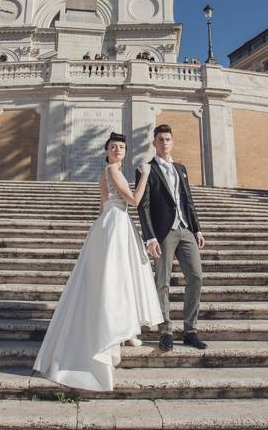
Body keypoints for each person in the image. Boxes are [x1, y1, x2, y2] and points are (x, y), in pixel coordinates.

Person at [33, 133, 161, 392]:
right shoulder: (113, 169)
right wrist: (145, 174)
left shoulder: (107, 172)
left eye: (122, 147)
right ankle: (119, 331)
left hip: (111, 222)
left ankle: (125, 329)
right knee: (117, 277)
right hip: (116, 224)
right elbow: (134, 201)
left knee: (116, 277)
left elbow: (104, 203)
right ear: (107, 150)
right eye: (114, 147)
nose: (118, 150)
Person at [135, 124, 207, 351]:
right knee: (162, 282)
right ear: (154, 143)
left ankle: (190, 330)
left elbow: (188, 200)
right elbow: (143, 206)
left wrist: (197, 229)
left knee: (196, 277)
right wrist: (150, 237)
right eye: (160, 140)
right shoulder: (145, 169)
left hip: (186, 229)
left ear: (172, 142)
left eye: (168, 139)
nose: (164, 143)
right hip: (163, 232)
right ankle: (165, 330)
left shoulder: (181, 168)